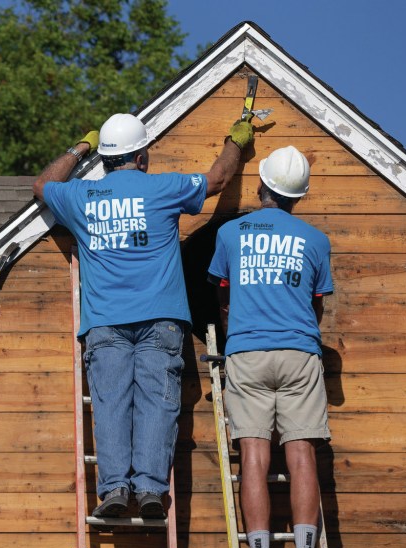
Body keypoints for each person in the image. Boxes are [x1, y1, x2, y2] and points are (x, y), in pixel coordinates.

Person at [32, 113, 252, 518]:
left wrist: (81, 145)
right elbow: (218, 179)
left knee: (112, 404)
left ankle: (114, 489)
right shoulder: (162, 188)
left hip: (105, 323)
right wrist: (236, 139)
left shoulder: (82, 196)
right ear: (143, 156)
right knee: (158, 404)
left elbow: (42, 187)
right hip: (162, 321)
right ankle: (151, 490)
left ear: (107, 158)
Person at [207, 145, 333, 548]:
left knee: (255, 460)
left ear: (260, 185)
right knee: (302, 457)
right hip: (300, 354)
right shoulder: (316, 240)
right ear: (298, 196)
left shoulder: (230, 234)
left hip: (246, 354)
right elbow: (316, 305)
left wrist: (235, 333)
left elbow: (222, 296)